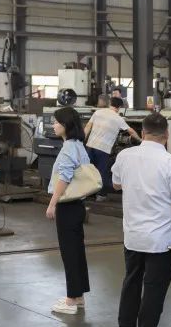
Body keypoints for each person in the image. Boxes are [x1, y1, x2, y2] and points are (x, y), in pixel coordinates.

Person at [112, 112, 171, 327]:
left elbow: (116, 184)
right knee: (154, 288)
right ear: (167, 135)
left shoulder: (124, 156)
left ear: (143, 132)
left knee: (131, 281)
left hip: (133, 236)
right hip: (160, 241)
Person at [44, 106, 91, 315]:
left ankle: (71, 300)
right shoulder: (79, 145)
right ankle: (78, 296)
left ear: (65, 125)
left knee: (69, 253)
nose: (53, 125)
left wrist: (52, 203)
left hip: (67, 205)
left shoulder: (68, 148)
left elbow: (64, 178)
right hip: (77, 205)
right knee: (77, 252)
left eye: (56, 122)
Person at [84, 96, 139, 201]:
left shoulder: (98, 113)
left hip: (90, 146)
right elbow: (131, 131)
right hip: (103, 149)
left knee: (89, 171)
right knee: (102, 172)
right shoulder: (118, 118)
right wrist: (140, 140)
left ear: (110, 103)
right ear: (119, 107)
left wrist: (81, 140)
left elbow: (87, 127)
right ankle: (101, 195)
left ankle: (87, 194)